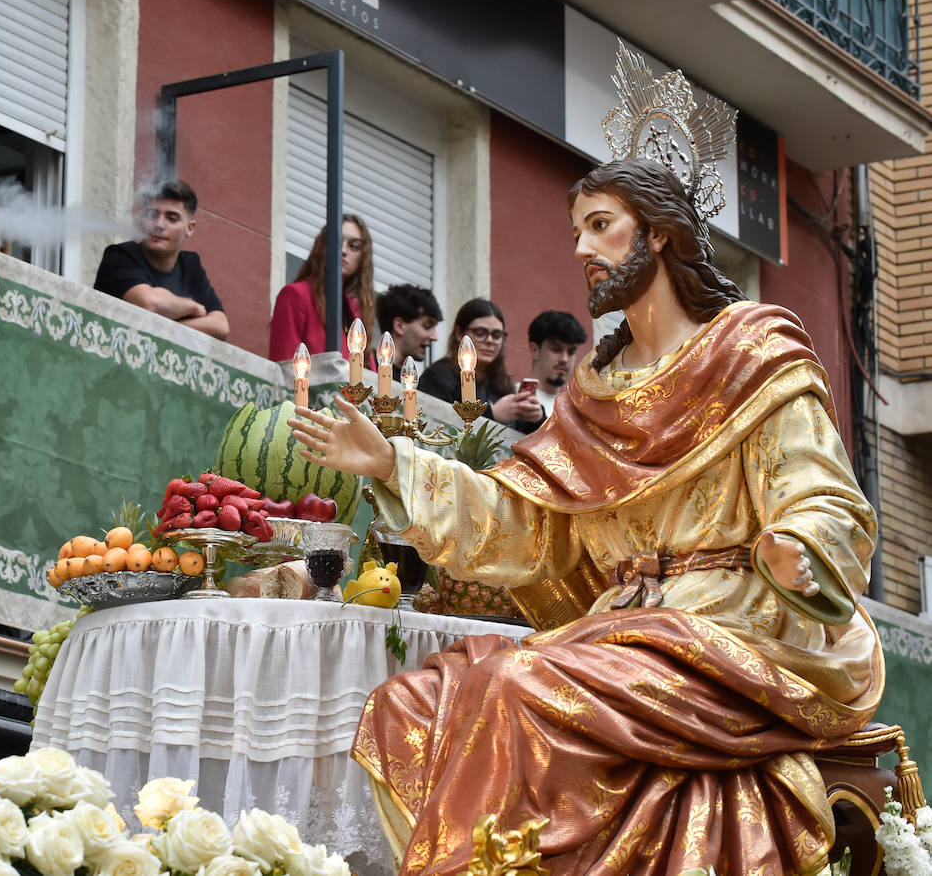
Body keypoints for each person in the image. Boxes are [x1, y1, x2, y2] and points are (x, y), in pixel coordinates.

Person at [290, 158, 880, 876]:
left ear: (659, 234)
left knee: (513, 688)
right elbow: (524, 522)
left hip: (728, 626)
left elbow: (821, 494)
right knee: (409, 707)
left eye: (600, 226)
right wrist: (394, 464)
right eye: (576, 231)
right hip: (618, 629)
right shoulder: (594, 394)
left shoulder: (748, 352)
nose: (581, 249)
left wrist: (799, 548)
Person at [94, 180, 228, 341]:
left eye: (172, 218)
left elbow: (220, 326)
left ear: (190, 228)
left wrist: (166, 326)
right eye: (152, 215)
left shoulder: (191, 266)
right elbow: (149, 303)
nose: (159, 225)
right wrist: (193, 307)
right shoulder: (120, 256)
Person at [417, 298, 542, 433]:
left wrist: (536, 417)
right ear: (459, 333)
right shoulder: (439, 375)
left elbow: (520, 434)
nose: (490, 341)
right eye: (480, 333)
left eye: (497, 335)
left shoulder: (502, 384)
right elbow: (434, 424)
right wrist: (492, 414)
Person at [268, 215, 376, 363]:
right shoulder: (295, 295)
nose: (343, 250)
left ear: (363, 258)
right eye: (337, 241)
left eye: (354, 246)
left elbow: (369, 375)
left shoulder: (356, 313)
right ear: (324, 246)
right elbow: (285, 366)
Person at [526, 309, 587, 422]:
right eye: (555, 349)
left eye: (571, 352)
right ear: (534, 349)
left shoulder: (578, 414)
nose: (564, 359)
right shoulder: (509, 398)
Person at [374, 284, 442, 367]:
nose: (435, 337)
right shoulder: (365, 366)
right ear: (399, 326)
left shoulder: (410, 378)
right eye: (427, 326)